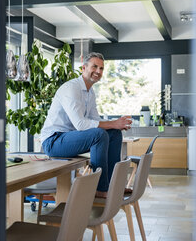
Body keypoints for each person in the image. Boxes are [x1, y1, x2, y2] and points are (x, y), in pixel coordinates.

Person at [40, 52, 132, 198]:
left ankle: (114, 185)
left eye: (101, 68)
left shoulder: (90, 92)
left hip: (69, 138)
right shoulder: (71, 88)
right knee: (99, 134)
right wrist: (113, 123)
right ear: (83, 68)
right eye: (94, 66)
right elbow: (81, 125)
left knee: (114, 133)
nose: (98, 71)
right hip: (53, 141)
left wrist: (115, 125)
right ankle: (100, 188)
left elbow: (96, 120)